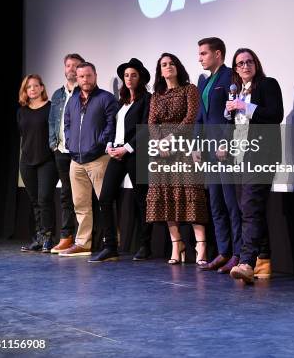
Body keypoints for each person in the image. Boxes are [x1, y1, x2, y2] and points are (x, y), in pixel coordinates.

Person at [226, 48, 283, 284]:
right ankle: (264, 260)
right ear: (236, 70)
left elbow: (275, 114)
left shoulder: (268, 85)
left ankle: (247, 262)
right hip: (239, 156)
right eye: (240, 64)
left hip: (261, 155)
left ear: (256, 64)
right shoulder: (236, 92)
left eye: (249, 62)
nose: (245, 66)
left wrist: (244, 107)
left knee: (250, 208)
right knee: (250, 209)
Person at [146, 53, 208, 264]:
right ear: (160, 71)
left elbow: (191, 118)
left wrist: (170, 138)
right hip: (162, 151)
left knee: (190, 193)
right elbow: (152, 123)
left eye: (171, 63)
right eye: (164, 64)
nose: (168, 67)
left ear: (178, 67)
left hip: (184, 146)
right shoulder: (156, 95)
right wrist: (159, 142)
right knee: (166, 197)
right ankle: (177, 244)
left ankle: (201, 245)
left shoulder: (189, 89)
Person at [89, 58, 153, 263]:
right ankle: (110, 246)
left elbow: (146, 128)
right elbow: (112, 126)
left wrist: (126, 148)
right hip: (116, 154)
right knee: (105, 197)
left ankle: (145, 245)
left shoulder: (147, 100)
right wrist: (109, 144)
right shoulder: (121, 102)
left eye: (133, 75)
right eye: (126, 75)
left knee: (141, 200)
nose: (129, 78)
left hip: (136, 154)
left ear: (140, 78)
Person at [59, 62, 117, 257]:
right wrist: (69, 143)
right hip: (76, 160)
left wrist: (98, 145)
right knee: (80, 204)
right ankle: (83, 243)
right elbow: (67, 124)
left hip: (99, 158)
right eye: (81, 76)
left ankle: (111, 242)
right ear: (77, 77)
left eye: (88, 76)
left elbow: (111, 125)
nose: (85, 80)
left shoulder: (106, 98)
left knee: (105, 202)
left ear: (95, 75)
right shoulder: (73, 100)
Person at [196, 37, 242, 274]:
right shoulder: (204, 82)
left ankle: (238, 253)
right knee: (215, 203)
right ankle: (223, 251)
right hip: (208, 151)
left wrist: (225, 142)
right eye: (199, 53)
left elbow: (233, 115)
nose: (200, 58)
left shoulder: (229, 77)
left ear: (218, 54)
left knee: (230, 203)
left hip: (225, 150)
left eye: (204, 53)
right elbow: (200, 118)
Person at [48, 53, 85, 253]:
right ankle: (66, 236)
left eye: (75, 66)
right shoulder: (57, 94)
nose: (71, 69)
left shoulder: (85, 93)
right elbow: (52, 121)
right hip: (61, 151)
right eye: (68, 65)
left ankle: (84, 238)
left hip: (79, 151)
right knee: (65, 195)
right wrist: (53, 145)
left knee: (82, 196)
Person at [17, 74, 58, 253]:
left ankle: (49, 237)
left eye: (35, 86)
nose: (32, 89)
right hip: (27, 161)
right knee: (35, 201)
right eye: (29, 87)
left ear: (42, 88)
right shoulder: (22, 111)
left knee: (44, 199)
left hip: (47, 160)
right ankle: (39, 237)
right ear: (25, 91)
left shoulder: (51, 108)